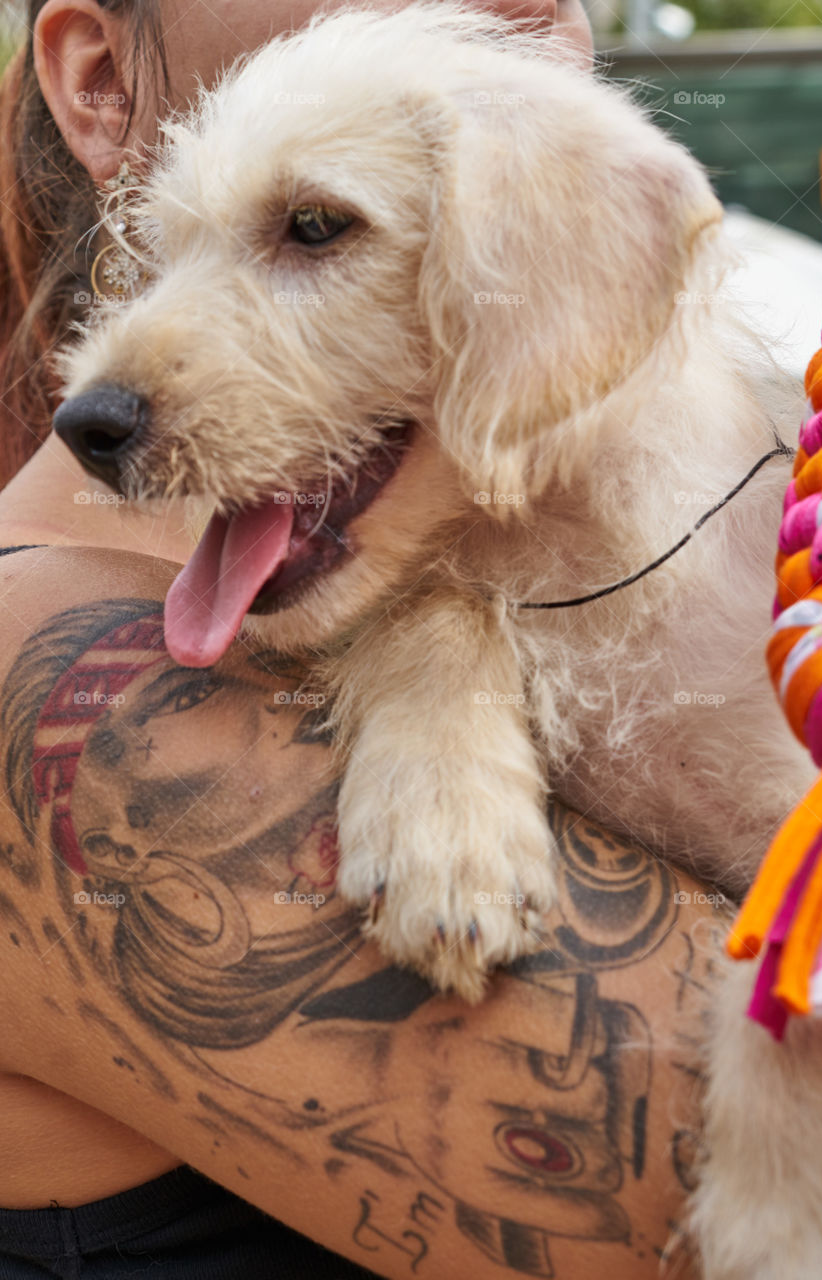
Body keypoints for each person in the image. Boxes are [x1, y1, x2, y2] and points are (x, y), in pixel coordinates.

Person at [0, 2, 724, 1277]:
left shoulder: (545, 536)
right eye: (318, 225)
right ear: (102, 83)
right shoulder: (51, 672)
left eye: (315, 224)